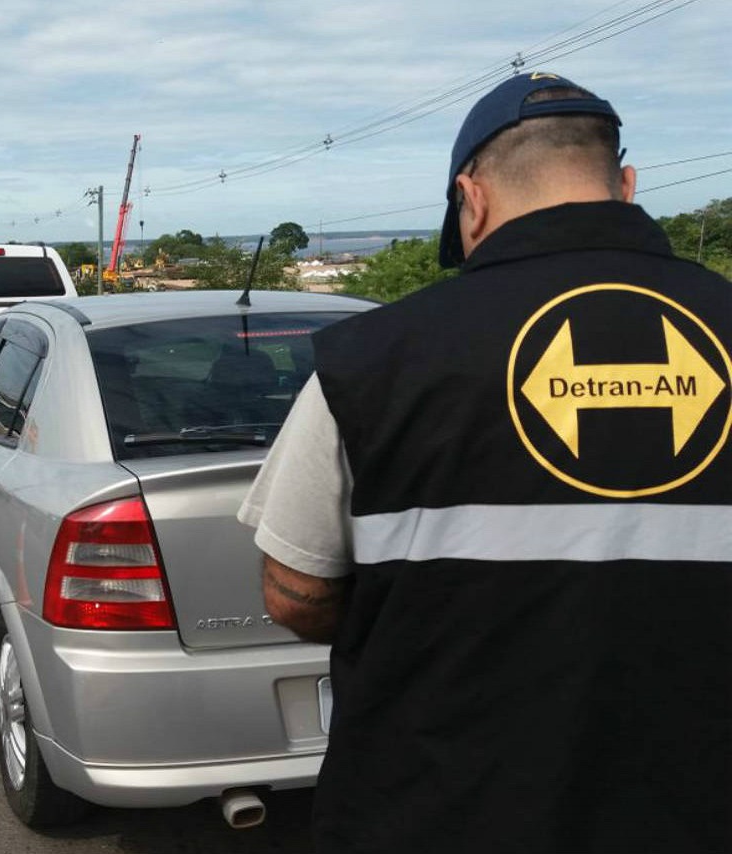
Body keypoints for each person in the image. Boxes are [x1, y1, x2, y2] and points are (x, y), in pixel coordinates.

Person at [239, 72, 731, 853]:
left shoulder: (370, 358)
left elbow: (295, 593)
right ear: (627, 184)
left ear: (472, 198)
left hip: (436, 808)